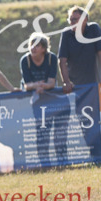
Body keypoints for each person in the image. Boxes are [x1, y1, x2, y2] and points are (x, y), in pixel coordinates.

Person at [20, 32, 67, 166]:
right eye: (31, 45)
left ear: (44, 48)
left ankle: (62, 161)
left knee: (58, 131)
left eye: (37, 46)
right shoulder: (26, 60)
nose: (33, 48)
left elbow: (52, 83)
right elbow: (27, 85)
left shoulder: (51, 58)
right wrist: (39, 85)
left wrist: (41, 86)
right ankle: (44, 163)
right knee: (42, 131)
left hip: (53, 99)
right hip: (36, 101)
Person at [57, 6, 101, 93]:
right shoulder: (66, 34)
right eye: (70, 20)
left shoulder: (94, 29)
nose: (72, 23)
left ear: (84, 19)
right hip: (75, 88)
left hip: (95, 84)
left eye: (75, 20)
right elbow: (62, 60)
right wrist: (66, 82)